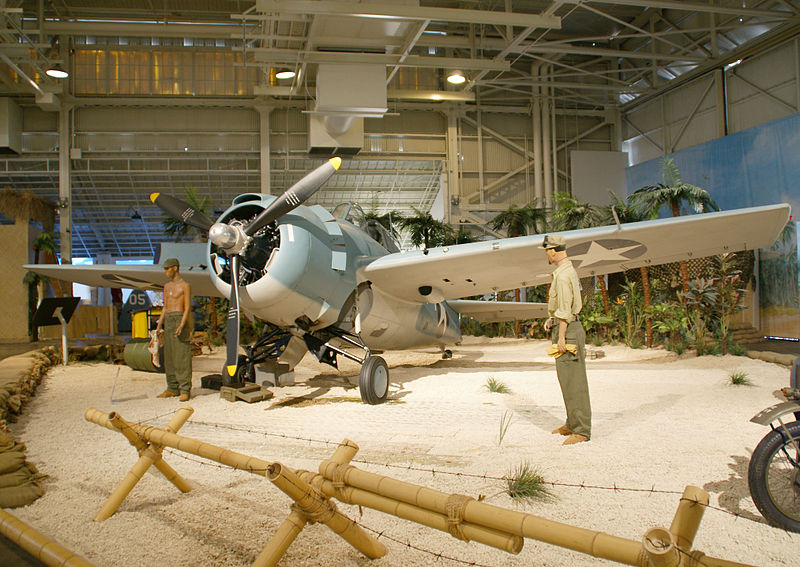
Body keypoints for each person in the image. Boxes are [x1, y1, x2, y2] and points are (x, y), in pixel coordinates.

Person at [542, 234, 591, 445]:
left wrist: (561, 335)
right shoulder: (565, 272)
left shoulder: (562, 276)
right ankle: (572, 422)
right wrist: (551, 319)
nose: (547, 254)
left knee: (574, 381)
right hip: (566, 325)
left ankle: (581, 429)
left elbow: (566, 308)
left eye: (547, 250)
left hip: (568, 329)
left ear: (553, 250)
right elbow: (565, 304)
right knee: (566, 379)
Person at [155, 258, 193, 401]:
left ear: (175, 268)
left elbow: (187, 307)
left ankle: (184, 388)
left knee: (181, 355)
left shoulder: (185, 285)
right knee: (169, 355)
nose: (165, 272)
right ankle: (172, 387)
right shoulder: (167, 286)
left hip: (179, 318)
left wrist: (182, 324)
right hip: (169, 320)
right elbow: (165, 306)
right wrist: (159, 324)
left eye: (167, 268)